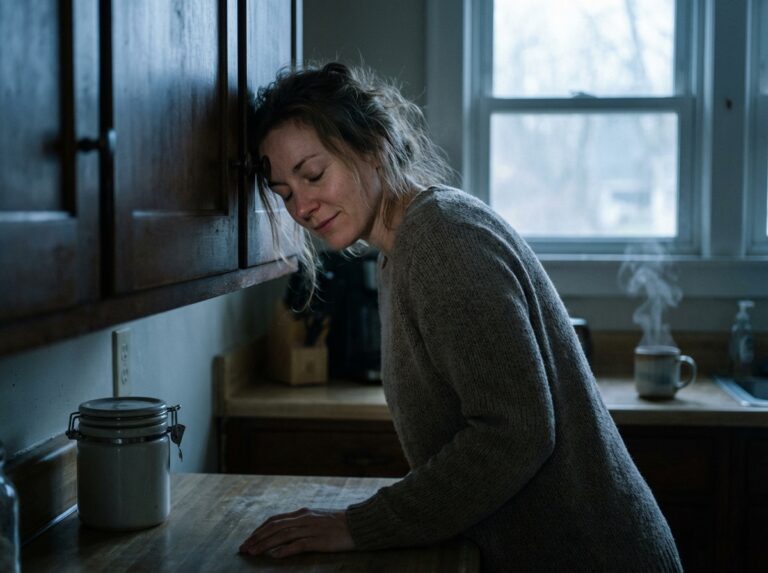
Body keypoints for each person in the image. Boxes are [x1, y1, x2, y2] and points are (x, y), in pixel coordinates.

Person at [238, 62, 683, 572]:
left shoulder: (440, 238)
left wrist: (355, 526)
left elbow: (514, 433)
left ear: (373, 146)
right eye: (285, 193)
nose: (302, 207)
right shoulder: (399, 251)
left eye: (314, 174)